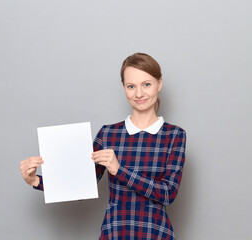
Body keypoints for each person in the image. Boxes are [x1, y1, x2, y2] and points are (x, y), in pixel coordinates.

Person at [20, 52, 187, 240]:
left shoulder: (174, 135)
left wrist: (118, 169)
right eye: (131, 86)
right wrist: (35, 181)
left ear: (159, 84)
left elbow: (167, 194)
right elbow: (82, 186)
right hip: (114, 233)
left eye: (146, 84)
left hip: (155, 233)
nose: (139, 93)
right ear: (124, 87)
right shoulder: (108, 133)